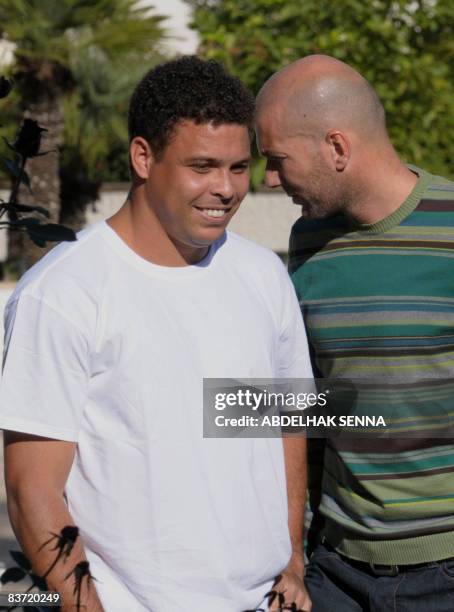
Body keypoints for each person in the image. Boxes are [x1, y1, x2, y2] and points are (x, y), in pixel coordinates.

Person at [0, 57, 313, 612]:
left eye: (239, 167)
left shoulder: (263, 274)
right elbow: (33, 492)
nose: (225, 188)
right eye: (202, 165)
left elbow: (284, 426)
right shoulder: (65, 292)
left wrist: (291, 557)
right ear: (143, 157)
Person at [255, 54, 454, 611]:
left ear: (337, 148)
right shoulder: (308, 240)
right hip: (333, 572)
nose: (268, 179)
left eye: (276, 160)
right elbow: (310, 401)